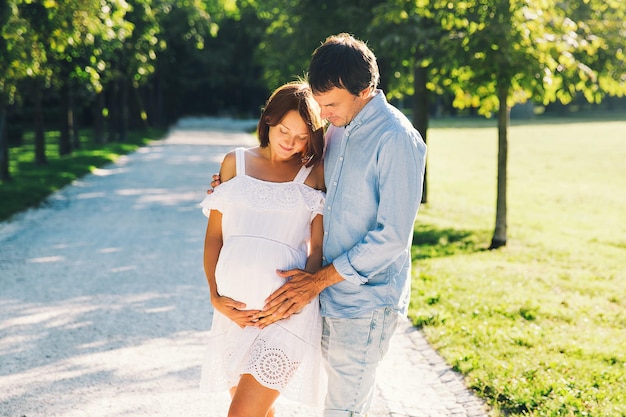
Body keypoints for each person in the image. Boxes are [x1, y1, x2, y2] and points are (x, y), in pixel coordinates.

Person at [210, 33, 427, 417]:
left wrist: (318, 279)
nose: (323, 114)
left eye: (330, 105)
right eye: (320, 103)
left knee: (344, 410)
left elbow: (392, 237)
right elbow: (296, 175)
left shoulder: (396, 140)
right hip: (322, 296)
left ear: (366, 89)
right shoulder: (340, 128)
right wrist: (233, 188)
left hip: (364, 302)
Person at [199, 81, 327, 417]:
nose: (291, 142)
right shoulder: (234, 164)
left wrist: (299, 295)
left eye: (302, 136)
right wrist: (214, 296)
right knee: (260, 413)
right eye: (285, 130)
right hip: (234, 316)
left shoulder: (313, 173)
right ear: (268, 120)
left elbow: (317, 249)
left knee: (241, 413)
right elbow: (215, 238)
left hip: (285, 316)